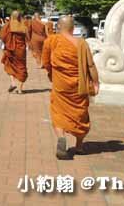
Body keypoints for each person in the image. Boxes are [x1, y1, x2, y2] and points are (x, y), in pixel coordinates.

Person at [42, 15, 99, 160]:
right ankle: (79, 146)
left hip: (60, 84)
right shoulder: (81, 43)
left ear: (58, 27)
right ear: (73, 28)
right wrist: (96, 82)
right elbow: (90, 65)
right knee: (81, 114)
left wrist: (51, 74)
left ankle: (61, 137)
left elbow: (46, 62)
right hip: (79, 84)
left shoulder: (51, 41)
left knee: (58, 112)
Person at [1, 11, 29, 94]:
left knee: (9, 64)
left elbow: (2, 36)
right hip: (21, 50)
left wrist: (8, 43)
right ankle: (20, 89)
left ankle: (13, 83)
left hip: (10, 49)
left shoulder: (8, 25)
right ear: (20, 17)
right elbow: (28, 37)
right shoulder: (23, 26)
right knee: (21, 67)